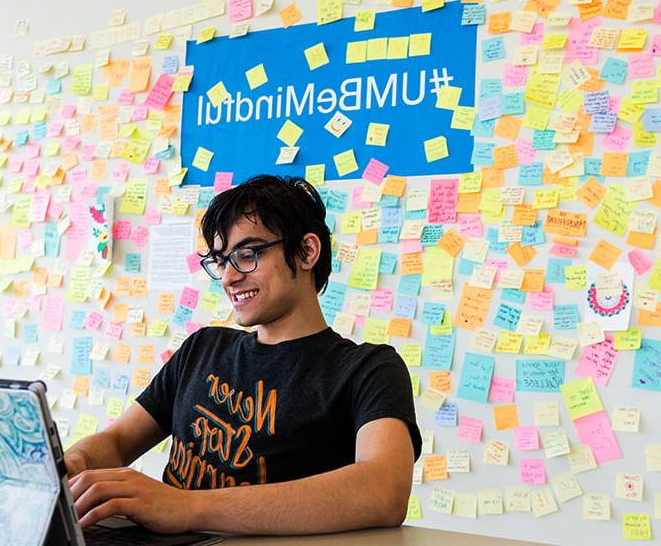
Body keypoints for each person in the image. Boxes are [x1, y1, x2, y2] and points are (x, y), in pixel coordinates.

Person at [65, 174, 422, 535]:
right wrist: (72, 463)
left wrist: (187, 507)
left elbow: (384, 491)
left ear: (306, 251)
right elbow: (118, 441)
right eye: (221, 261)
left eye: (247, 255)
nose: (228, 277)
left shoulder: (368, 368)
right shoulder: (202, 348)